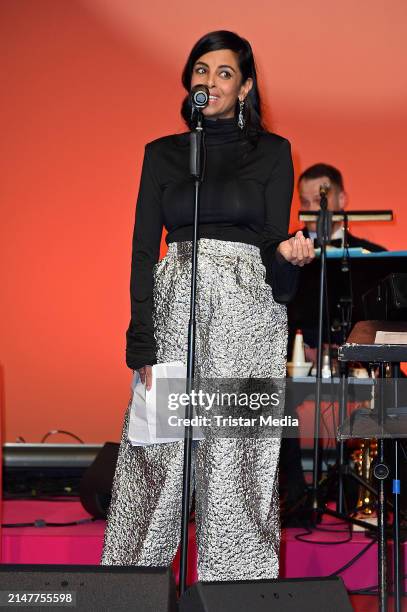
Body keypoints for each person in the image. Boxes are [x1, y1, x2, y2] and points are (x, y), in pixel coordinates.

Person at [101, 30, 314, 582]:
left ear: (245, 87)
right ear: (188, 82)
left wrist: (289, 253)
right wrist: (140, 337)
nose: (210, 81)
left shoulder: (272, 151)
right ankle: (133, 590)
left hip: (247, 312)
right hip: (176, 310)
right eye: (201, 70)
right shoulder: (163, 153)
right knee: (158, 454)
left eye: (224, 73)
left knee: (237, 458)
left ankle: (238, 591)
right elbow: (145, 249)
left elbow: (271, 244)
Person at [297, 163, 386, 251]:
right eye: (304, 202)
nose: (311, 209)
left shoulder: (372, 254)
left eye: (319, 200)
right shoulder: (285, 254)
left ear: (341, 199)